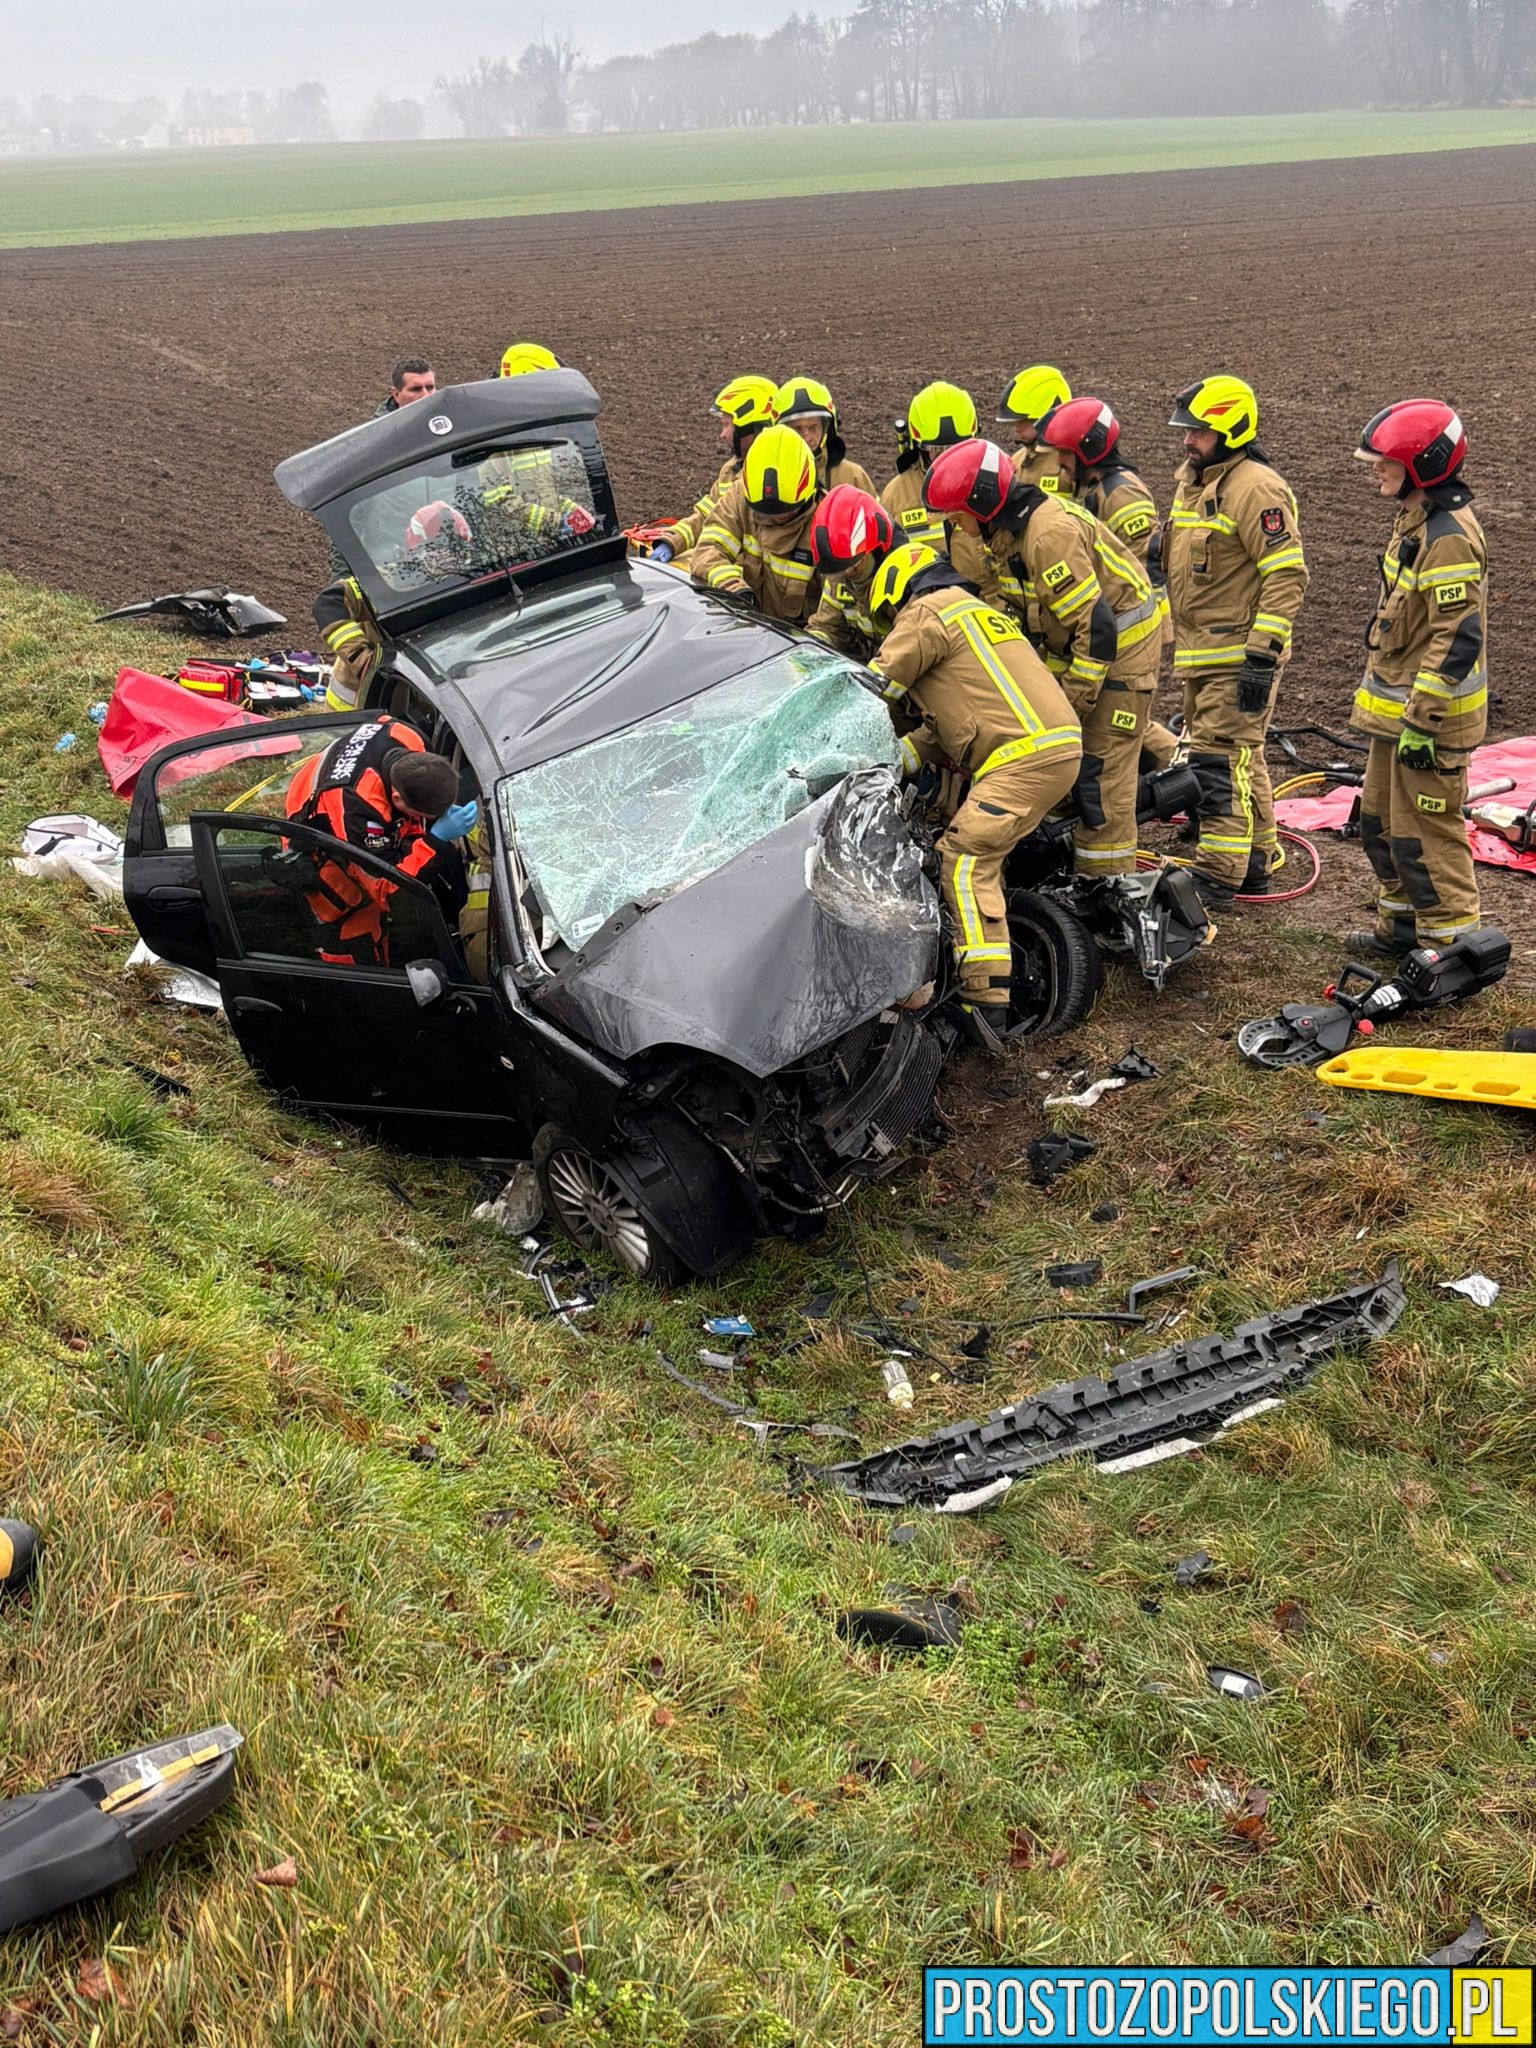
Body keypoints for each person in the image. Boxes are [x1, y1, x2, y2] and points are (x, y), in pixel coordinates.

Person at [865, 542, 1081, 1052]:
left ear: (901, 590)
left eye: (890, 613)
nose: (894, 622)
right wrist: (890, 763)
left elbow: (871, 688)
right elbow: (945, 732)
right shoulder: (978, 616)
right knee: (980, 852)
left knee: (963, 858)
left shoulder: (928, 612)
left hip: (1021, 758)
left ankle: (983, 1007)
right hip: (1051, 749)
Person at [922, 437, 1165, 883]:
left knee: (1098, 781)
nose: (954, 526)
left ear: (981, 503)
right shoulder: (1006, 534)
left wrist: (1072, 704)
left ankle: (1106, 897)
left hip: (1121, 655)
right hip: (1079, 647)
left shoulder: (1046, 535)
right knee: (1074, 766)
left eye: (956, 516)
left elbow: (1098, 627)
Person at [1162, 375, 1309, 905]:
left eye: (1199, 432)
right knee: (1244, 756)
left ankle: (1219, 874)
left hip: (1237, 656)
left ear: (1230, 431)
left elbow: (1287, 574)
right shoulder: (1196, 484)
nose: (1187, 440)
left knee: (1216, 761)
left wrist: (1261, 657)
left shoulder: (1256, 489)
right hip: (1202, 655)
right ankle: (1254, 861)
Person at [1349, 400, 1486, 955]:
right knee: (1380, 827)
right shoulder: (1416, 517)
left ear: (1422, 464)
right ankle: (1403, 933)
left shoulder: (1448, 534)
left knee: (1424, 837)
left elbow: (1458, 636)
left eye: (1385, 460)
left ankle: (1455, 952)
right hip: (1399, 717)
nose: (1375, 468)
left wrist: (1423, 720)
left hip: (1431, 722)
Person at [1040, 395, 1180, 774]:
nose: (1059, 464)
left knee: (1125, 719)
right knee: (1125, 720)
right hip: (1117, 625)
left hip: (1131, 629)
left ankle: (1185, 769)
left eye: (1065, 454)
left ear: (1088, 451)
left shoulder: (1121, 493)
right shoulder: (1094, 488)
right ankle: (1179, 772)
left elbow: (1143, 564)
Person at [283, 719, 477, 967]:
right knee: (353, 932)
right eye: (424, 815)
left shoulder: (409, 737)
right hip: (319, 832)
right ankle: (354, 981)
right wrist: (435, 841)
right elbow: (388, 889)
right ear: (397, 797)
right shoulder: (358, 812)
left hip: (338, 795)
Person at [689, 423, 825, 624]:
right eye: (765, 513)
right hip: (749, 632)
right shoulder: (741, 496)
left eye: (787, 511)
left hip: (796, 643)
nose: (775, 518)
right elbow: (709, 549)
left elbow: (832, 620)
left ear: (808, 494)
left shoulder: (827, 524)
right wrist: (735, 588)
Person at [649, 375, 778, 566]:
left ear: (748, 426)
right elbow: (705, 515)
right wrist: (670, 542)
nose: (722, 435)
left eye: (727, 425)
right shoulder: (730, 470)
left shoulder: (773, 480)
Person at [880, 381, 993, 587]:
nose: (947, 459)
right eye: (937, 450)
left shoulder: (991, 487)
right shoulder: (896, 496)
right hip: (925, 614)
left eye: (955, 449)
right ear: (919, 447)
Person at [806, 483, 896, 659]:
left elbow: (905, 656)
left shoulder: (903, 581)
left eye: (854, 563)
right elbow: (827, 626)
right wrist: (811, 651)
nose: (847, 572)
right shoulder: (837, 573)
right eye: (841, 566)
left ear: (874, 549)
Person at [771, 376, 874, 494]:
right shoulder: (760, 479)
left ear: (827, 428)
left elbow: (875, 512)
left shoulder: (852, 476)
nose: (806, 437)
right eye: (797, 429)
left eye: (813, 427)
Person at [996, 364, 1071, 490]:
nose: (1017, 428)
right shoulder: (1017, 462)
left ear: (1049, 415)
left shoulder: (1074, 466)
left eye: (1024, 420)